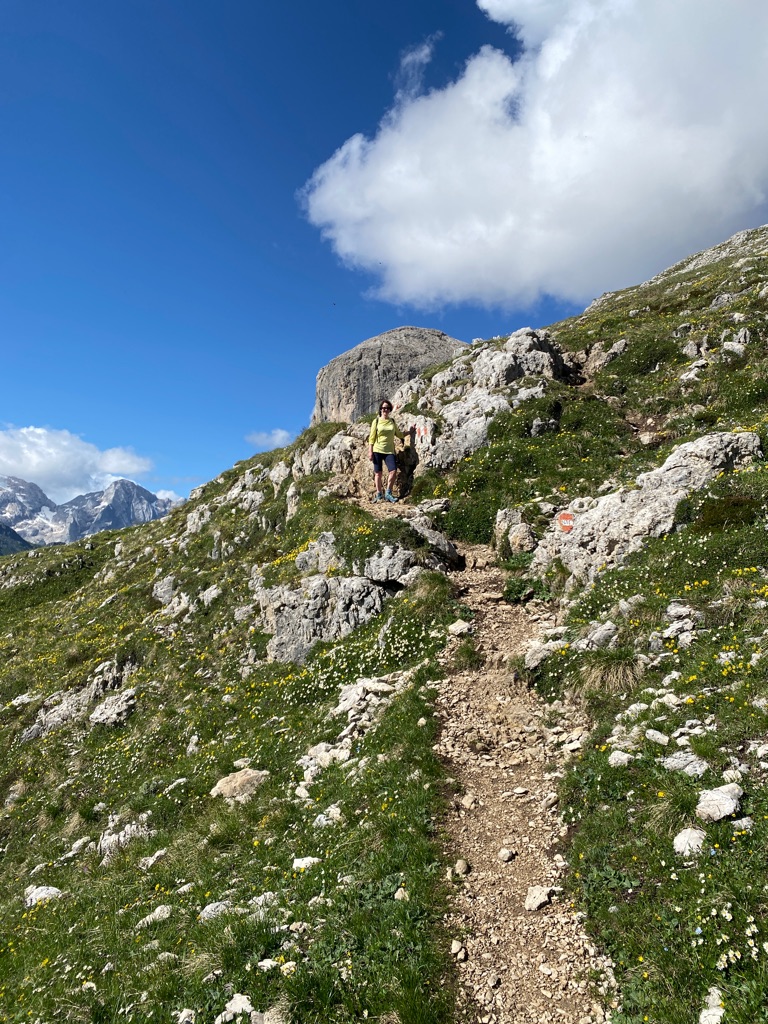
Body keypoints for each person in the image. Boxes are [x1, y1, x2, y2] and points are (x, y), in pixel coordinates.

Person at [368, 400, 413, 503]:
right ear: (380, 409)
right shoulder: (376, 421)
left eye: (388, 408)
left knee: (393, 471)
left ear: (390, 410)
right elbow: (372, 437)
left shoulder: (392, 421)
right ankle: (379, 494)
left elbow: (399, 434)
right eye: (384, 408)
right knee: (378, 473)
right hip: (377, 450)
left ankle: (388, 493)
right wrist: (370, 451)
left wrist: (409, 432)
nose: (386, 410)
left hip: (389, 451)